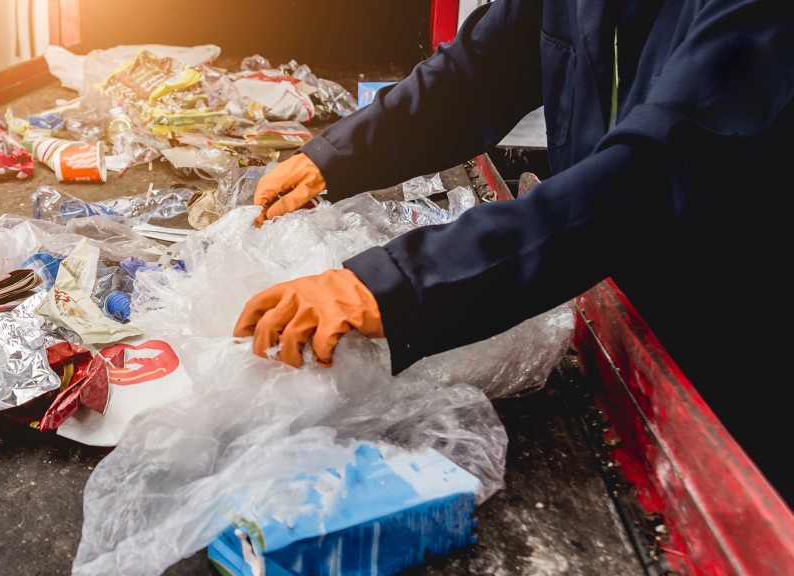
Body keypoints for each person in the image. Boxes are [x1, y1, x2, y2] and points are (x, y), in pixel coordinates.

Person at [233, 0, 794, 504]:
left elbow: (653, 167)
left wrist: (397, 281)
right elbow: (477, 75)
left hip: (731, 350)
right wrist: (335, 156)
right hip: (602, 291)